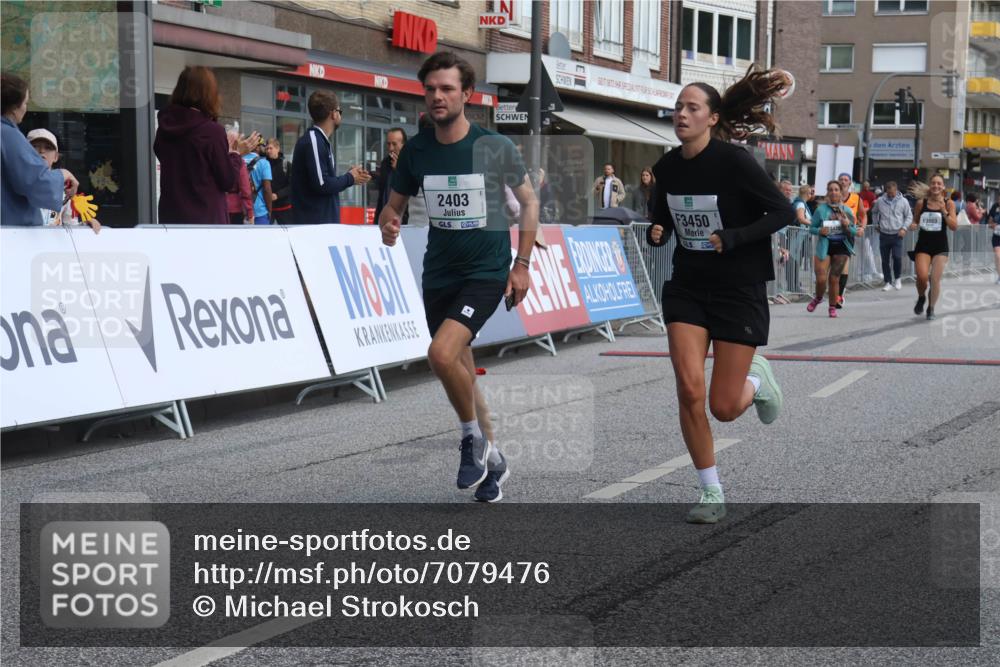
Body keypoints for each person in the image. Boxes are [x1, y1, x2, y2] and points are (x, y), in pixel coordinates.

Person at [379, 51, 538, 502]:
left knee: (441, 353)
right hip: (439, 274)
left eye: (447, 88)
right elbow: (394, 205)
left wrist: (521, 265)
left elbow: (528, 203)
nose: (437, 96)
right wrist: (389, 223)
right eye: (430, 89)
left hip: (485, 271)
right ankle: (495, 461)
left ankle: (471, 438)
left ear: (467, 94)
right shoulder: (415, 150)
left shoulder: (495, 146)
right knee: (461, 368)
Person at [645, 65, 794, 524]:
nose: (681, 115)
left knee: (724, 407)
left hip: (737, 288)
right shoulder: (667, 167)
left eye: (692, 108)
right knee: (689, 389)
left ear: (712, 118)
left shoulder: (735, 162)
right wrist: (657, 232)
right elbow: (663, 220)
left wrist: (733, 237)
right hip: (688, 287)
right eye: (678, 108)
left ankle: (757, 380)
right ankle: (711, 492)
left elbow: (782, 211)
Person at [154, 66, 252, 225]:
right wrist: (235, 154)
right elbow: (227, 181)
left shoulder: (165, 128)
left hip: (171, 219)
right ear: (209, 94)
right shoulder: (212, 132)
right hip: (206, 223)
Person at [1, 72, 79, 225]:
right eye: (25, 103)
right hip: (10, 235)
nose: (25, 108)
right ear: (15, 107)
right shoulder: (8, 135)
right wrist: (63, 174)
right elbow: (36, 183)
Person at [290, 90, 370, 224]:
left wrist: (350, 176)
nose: (340, 115)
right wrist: (350, 178)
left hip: (320, 224)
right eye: (340, 111)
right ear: (333, 113)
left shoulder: (319, 140)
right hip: (315, 226)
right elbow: (322, 184)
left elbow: (322, 181)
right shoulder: (314, 140)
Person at [27, 128, 100, 233]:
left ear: (56, 157)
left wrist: (85, 225)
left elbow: (70, 224)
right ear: (25, 152)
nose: (41, 151)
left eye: (48, 148)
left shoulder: (65, 188)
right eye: (35, 146)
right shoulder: (16, 182)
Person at [908, 174, 958, 320]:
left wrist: (944, 211)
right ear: (930, 186)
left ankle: (931, 308)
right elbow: (915, 221)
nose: (936, 185)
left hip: (940, 246)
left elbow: (954, 226)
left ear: (943, 187)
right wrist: (913, 225)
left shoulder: (949, 203)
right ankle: (922, 297)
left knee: (934, 279)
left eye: (939, 183)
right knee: (922, 277)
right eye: (933, 183)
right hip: (923, 245)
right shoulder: (920, 203)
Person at [806, 181, 857, 318]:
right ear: (827, 192)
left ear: (840, 192)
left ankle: (832, 306)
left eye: (836, 189)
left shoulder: (846, 210)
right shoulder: (821, 210)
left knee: (834, 279)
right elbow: (811, 228)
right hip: (824, 246)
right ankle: (818, 298)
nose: (833, 192)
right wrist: (819, 231)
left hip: (841, 247)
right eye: (831, 190)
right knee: (821, 279)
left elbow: (854, 231)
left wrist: (847, 225)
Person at [870, 181, 911, 291]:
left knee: (897, 257)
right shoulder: (880, 201)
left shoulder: (903, 201)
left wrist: (904, 228)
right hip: (884, 234)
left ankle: (897, 278)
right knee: (884, 260)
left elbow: (909, 216)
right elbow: (874, 212)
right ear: (886, 191)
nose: (891, 195)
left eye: (893, 193)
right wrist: (876, 224)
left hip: (897, 234)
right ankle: (888, 281)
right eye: (889, 193)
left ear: (896, 190)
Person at [836, 172, 868, 306]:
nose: (843, 182)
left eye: (846, 180)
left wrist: (862, 228)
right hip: (832, 234)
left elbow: (863, 215)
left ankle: (839, 295)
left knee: (844, 265)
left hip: (848, 234)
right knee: (833, 266)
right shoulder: (831, 197)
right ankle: (834, 289)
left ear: (850, 183)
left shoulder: (855, 198)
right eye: (841, 180)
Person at [374, 127, 408, 226]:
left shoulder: (411, 162)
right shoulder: (385, 163)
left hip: (404, 221)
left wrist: (399, 169)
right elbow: (382, 193)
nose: (391, 148)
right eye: (388, 144)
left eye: (394, 144)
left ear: (403, 145)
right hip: (385, 218)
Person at [224, 128, 253, 225]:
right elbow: (246, 190)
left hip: (219, 208)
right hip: (235, 210)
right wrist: (250, 213)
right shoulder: (239, 162)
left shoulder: (219, 158)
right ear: (236, 143)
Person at [244, 139, 273, 225]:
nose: (265, 148)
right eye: (262, 146)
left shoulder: (239, 160)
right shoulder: (264, 163)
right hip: (259, 211)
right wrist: (270, 210)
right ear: (256, 147)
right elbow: (267, 189)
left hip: (242, 210)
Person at [265, 138, 292, 224]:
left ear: (278, 148)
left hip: (285, 208)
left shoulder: (287, 165)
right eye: (267, 149)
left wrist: (278, 195)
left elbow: (292, 186)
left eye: (271, 148)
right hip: (268, 208)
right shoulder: (263, 164)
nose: (268, 151)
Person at [988, 200, 1000, 285]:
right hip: (997, 235)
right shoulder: (995, 207)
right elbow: (990, 222)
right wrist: (992, 225)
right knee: (997, 255)